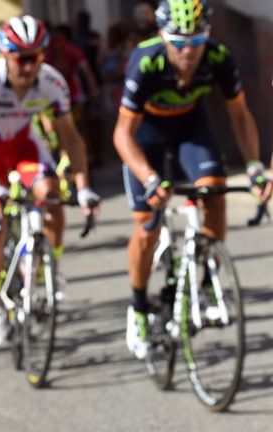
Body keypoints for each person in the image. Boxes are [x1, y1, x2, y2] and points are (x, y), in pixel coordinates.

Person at [113, 0, 273, 360]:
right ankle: (138, 308)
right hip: (146, 134)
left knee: (214, 189)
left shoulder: (217, 57)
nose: (188, 51)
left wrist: (253, 165)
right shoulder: (146, 60)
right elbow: (122, 134)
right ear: (162, 36)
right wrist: (150, 178)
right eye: (179, 42)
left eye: (196, 41)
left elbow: (240, 113)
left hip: (190, 126)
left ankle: (206, 279)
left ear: (207, 36)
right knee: (147, 227)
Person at [0, 15, 99, 350]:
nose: (28, 66)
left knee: (51, 194)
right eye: (21, 58)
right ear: (6, 56)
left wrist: (83, 187)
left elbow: (71, 136)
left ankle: (47, 264)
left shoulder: (52, 82)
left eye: (36, 57)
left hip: (24, 145)